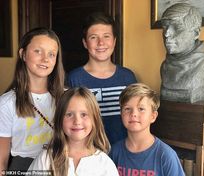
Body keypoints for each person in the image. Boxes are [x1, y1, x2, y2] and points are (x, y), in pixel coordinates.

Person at [0, 27, 65, 173]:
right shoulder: (7, 102)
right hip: (22, 168)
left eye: (51, 54)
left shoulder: (66, 97)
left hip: (58, 166)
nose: (45, 59)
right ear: (23, 54)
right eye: (38, 51)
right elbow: (1, 159)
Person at [67, 12, 137, 145]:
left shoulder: (127, 77)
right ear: (85, 43)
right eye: (93, 37)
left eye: (106, 36)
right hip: (88, 154)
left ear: (114, 41)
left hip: (122, 154)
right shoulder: (74, 79)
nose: (101, 43)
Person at [28, 87, 119, 176]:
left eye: (84, 114)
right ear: (60, 119)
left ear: (94, 120)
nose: (77, 121)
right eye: (69, 114)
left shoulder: (105, 164)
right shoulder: (46, 159)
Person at [109, 83, 185, 176]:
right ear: (121, 114)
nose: (134, 114)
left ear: (153, 116)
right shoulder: (114, 152)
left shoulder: (165, 156)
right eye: (127, 109)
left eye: (141, 109)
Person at [160, 3, 204, 103]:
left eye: (176, 27)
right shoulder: (165, 66)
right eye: (165, 27)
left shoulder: (202, 64)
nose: (167, 34)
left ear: (196, 33)